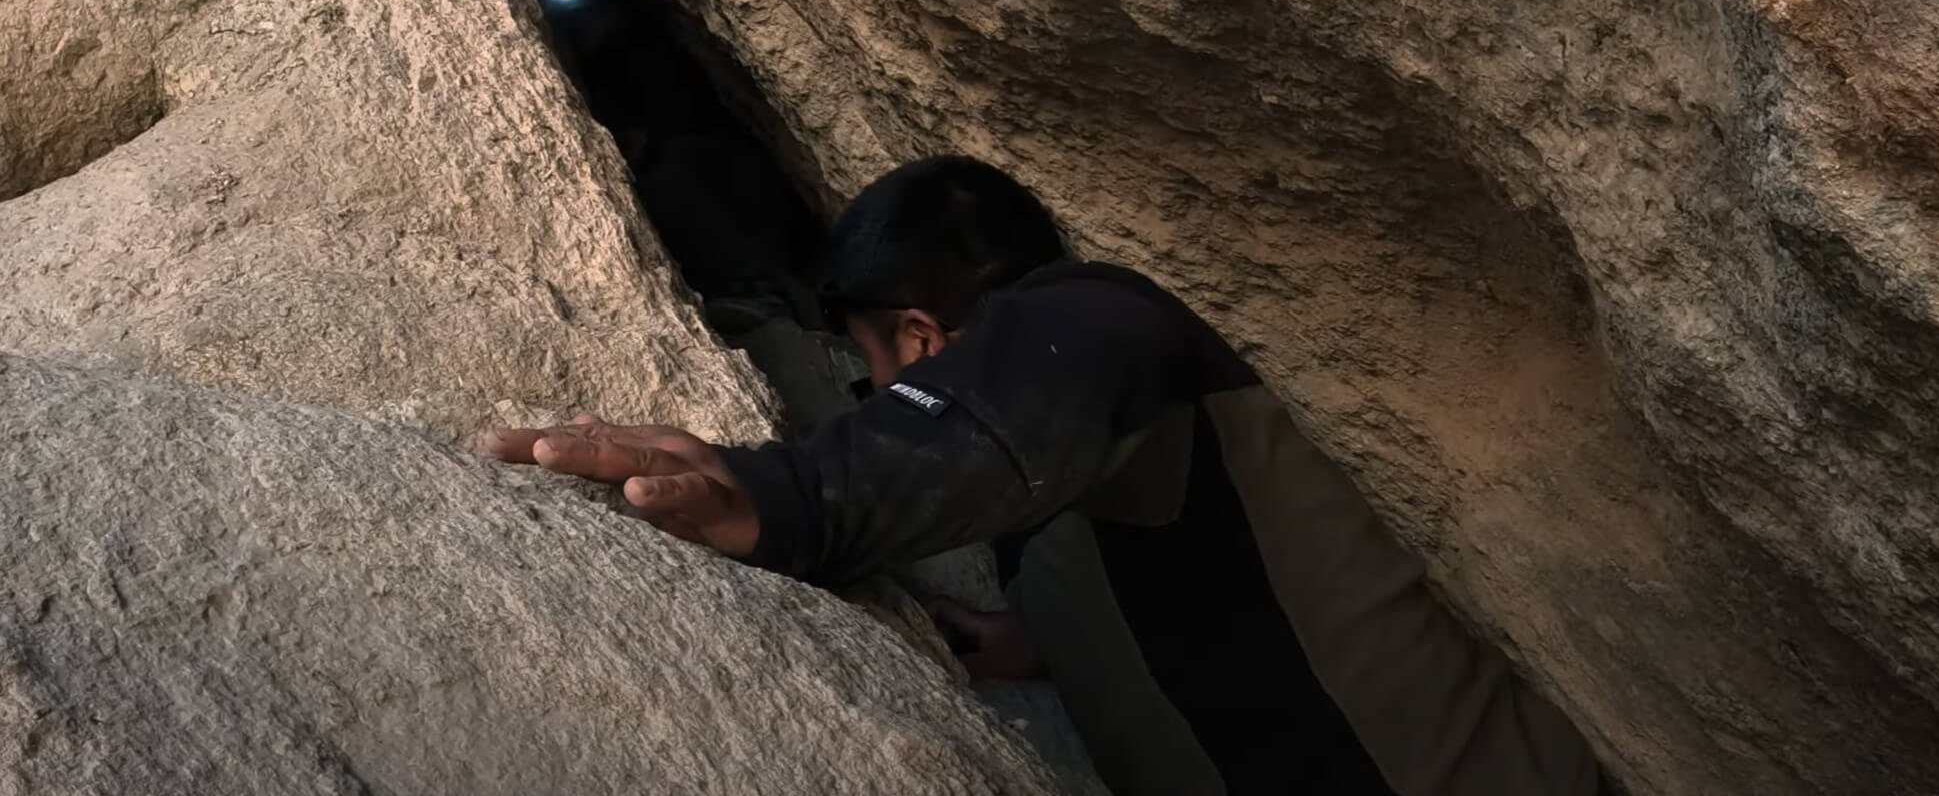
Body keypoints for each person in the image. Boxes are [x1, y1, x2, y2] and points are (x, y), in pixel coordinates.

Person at [480, 156, 1601, 795]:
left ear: (920, 337)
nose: (882, 400)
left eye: (877, 373)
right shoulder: (1084, 443)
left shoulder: (1103, 319)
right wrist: (1035, 640)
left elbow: (1012, 413)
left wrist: (785, 493)